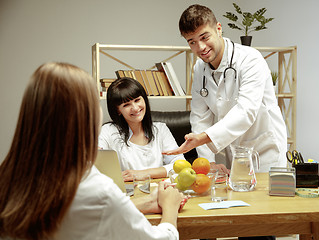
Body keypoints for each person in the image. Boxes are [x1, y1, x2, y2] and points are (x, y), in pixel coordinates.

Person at [0, 62, 184, 240]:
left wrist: (144, 202)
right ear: (85, 115)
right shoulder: (96, 188)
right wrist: (170, 207)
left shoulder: (7, 177)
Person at [165, 4, 287, 175]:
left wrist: (202, 139)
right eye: (192, 42)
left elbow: (246, 112)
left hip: (265, 152)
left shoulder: (250, 59)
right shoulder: (199, 68)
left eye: (204, 37)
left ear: (219, 29)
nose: (200, 47)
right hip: (236, 153)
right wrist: (207, 162)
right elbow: (200, 116)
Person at [98, 77, 185, 182]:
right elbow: (96, 163)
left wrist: (143, 174)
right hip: (129, 194)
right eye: (126, 105)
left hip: (159, 190)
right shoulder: (108, 131)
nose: (135, 108)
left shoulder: (161, 129)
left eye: (137, 100)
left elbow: (180, 165)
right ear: (118, 110)